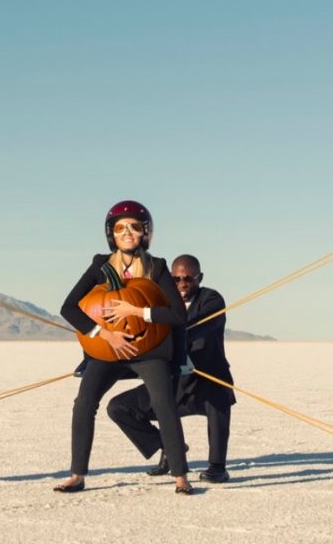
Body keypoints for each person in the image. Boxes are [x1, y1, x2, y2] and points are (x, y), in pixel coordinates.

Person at [55, 201, 193, 496]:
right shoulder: (100, 266)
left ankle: (181, 475)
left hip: (150, 348)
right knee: (84, 403)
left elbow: (178, 315)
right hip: (108, 350)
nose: (127, 232)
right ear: (111, 234)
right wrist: (104, 334)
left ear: (146, 232)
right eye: (120, 228)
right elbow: (69, 308)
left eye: (134, 227)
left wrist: (138, 311)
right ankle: (77, 475)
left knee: (163, 403)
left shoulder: (156, 267)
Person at [105, 254, 236, 483]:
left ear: (199, 278)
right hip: (174, 382)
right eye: (176, 279)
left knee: (218, 402)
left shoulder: (212, 300)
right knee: (119, 407)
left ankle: (217, 467)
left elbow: (195, 329)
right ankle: (170, 446)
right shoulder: (162, 303)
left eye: (188, 278)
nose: (182, 284)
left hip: (207, 380)